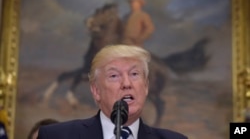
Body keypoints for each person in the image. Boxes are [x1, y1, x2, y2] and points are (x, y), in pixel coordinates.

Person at [37, 45, 188, 139]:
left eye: (134, 74)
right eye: (114, 76)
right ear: (96, 91)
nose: (127, 84)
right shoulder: (56, 136)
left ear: (146, 87)